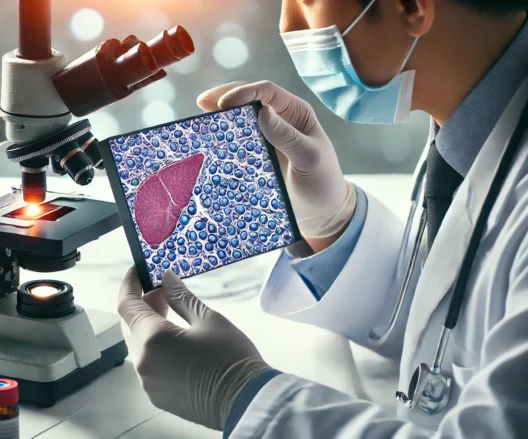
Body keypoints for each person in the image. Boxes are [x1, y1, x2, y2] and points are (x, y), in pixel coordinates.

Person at [117, 0, 528, 437]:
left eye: (304, 0)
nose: (286, 23)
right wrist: (334, 227)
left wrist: (240, 394)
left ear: (411, 7)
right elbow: (461, 318)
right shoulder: (478, 122)